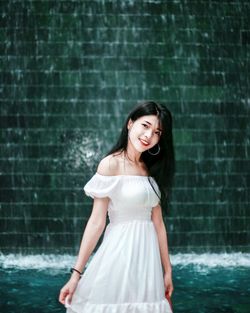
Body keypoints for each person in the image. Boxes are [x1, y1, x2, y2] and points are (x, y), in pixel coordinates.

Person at [59, 101, 175, 313]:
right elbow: (96, 222)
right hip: (119, 255)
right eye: (145, 125)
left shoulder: (149, 169)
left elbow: (158, 224)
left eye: (157, 131)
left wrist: (167, 271)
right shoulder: (110, 164)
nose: (149, 135)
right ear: (131, 123)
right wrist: (76, 273)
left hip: (147, 264)